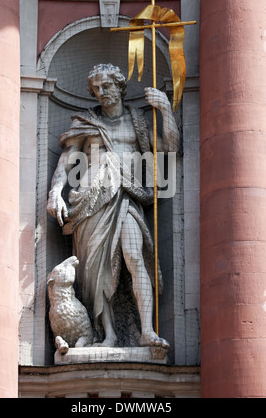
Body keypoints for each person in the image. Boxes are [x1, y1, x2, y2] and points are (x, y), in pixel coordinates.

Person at [47, 63, 179, 348]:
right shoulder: (85, 123)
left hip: (128, 196)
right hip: (91, 202)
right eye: (95, 89)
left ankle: (147, 330)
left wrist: (165, 110)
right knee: (95, 270)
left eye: (106, 86)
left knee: (135, 257)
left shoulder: (137, 122)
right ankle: (108, 335)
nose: (101, 92)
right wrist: (56, 191)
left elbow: (169, 149)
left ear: (120, 86)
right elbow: (67, 160)